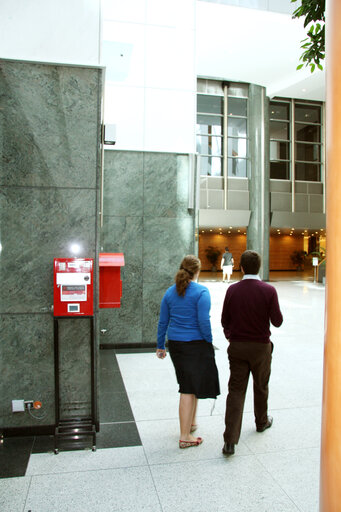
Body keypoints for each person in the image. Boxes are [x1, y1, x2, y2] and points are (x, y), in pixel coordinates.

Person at [221, 250, 283, 456]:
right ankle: (261, 421)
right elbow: (277, 321)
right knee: (261, 385)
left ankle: (230, 441)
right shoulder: (269, 290)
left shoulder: (232, 290)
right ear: (259, 267)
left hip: (237, 347)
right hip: (260, 348)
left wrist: (231, 336)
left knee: (236, 391)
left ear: (242, 267)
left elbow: (224, 321)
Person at [156, 255, 220, 449]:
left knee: (191, 384)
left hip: (176, 344)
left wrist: (160, 345)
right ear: (198, 271)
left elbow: (163, 322)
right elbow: (203, 321)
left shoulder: (169, 292)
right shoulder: (202, 292)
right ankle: (185, 436)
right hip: (196, 344)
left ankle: (191, 423)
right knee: (188, 388)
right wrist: (209, 341)